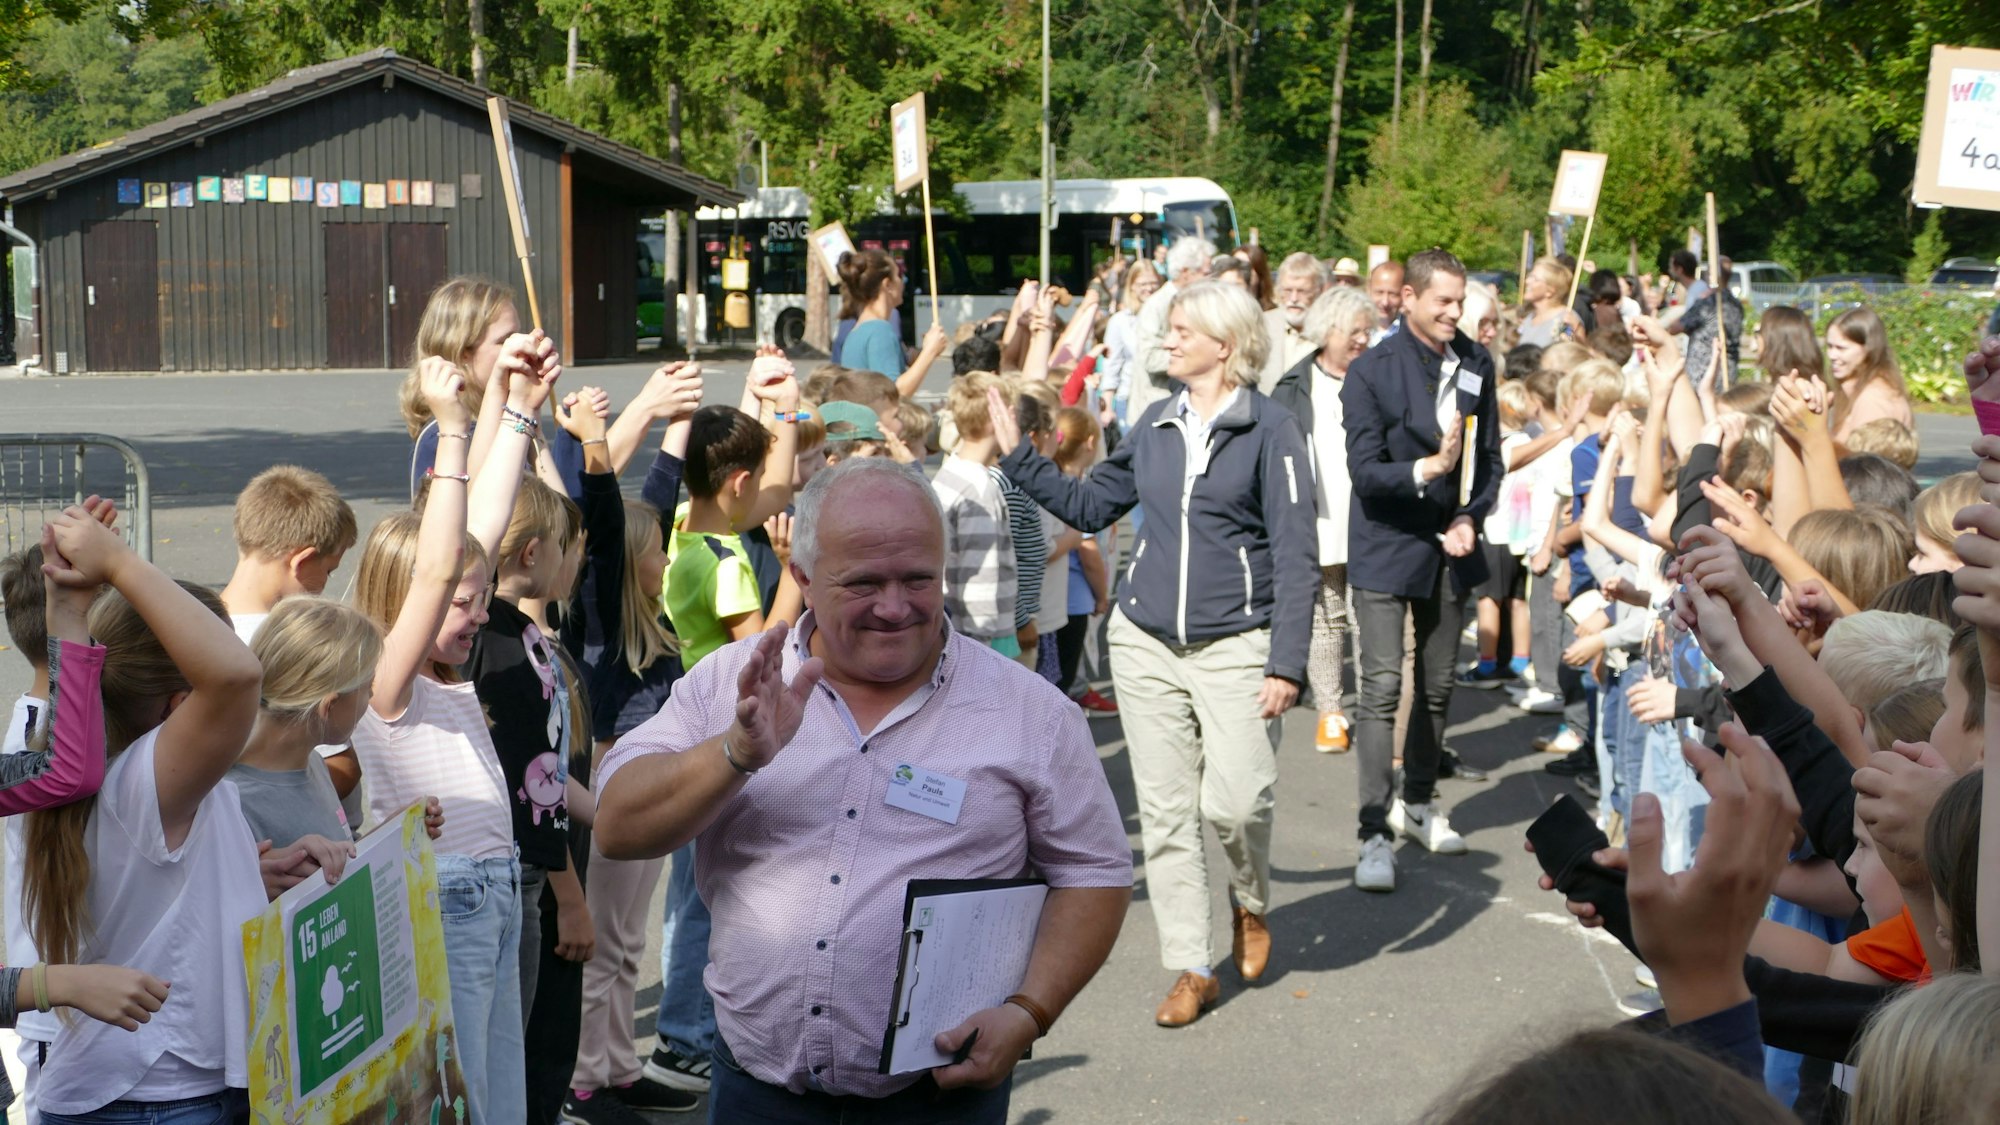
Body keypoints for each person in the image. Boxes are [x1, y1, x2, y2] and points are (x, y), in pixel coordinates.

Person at [592, 457, 1132, 1122]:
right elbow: (617, 827)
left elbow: (1095, 871)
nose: (894, 606)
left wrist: (1029, 1011)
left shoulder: (1032, 714)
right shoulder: (735, 683)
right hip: (758, 1092)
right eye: (864, 582)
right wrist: (736, 753)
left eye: (918, 579)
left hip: (941, 1096)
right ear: (803, 578)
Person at [992, 279, 1316, 1026]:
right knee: (1168, 813)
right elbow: (1087, 504)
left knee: (1237, 803)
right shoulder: (1155, 419)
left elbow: (1297, 555)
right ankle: (1191, 965)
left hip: (1239, 642)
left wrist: (1286, 663)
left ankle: (1251, 899)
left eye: (1181, 331)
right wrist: (1020, 456)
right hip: (1144, 643)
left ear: (1223, 346)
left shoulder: (1272, 429)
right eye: (1168, 329)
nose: (1167, 341)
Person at [352, 339, 553, 1125]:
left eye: (480, 598)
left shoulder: (449, 680)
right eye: (459, 605)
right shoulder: (388, 685)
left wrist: (519, 413)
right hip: (452, 896)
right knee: (458, 1097)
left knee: (500, 1091)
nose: (476, 614)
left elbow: (481, 532)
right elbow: (441, 569)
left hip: (494, 889)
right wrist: (455, 427)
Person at [24, 505, 266, 1123]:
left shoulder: (72, 761)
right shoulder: (143, 782)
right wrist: (119, 564)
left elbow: (156, 893)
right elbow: (237, 678)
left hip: (147, 1093)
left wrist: (253, 876)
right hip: (159, 1099)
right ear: (183, 705)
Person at [1342, 248, 1502, 892]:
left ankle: (1419, 801)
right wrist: (1427, 470)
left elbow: (1489, 457)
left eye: (1460, 302)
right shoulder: (1371, 372)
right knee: (1381, 689)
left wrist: (1470, 517)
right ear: (1407, 298)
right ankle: (1372, 831)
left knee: (1437, 687)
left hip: (1451, 547)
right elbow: (1364, 471)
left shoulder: (1475, 361)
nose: (1454, 313)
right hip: (1385, 543)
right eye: (1443, 301)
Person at [218, 465, 365, 825]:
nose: (327, 583)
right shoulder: (299, 643)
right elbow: (340, 764)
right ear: (300, 561)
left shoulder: (203, 631)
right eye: (328, 571)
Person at [1270, 286, 1375, 753]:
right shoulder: (1294, 387)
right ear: (1328, 332)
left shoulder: (1376, 377)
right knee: (1325, 620)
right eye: (1354, 331)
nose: (1362, 339)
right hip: (1319, 522)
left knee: (1369, 620)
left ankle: (1376, 711)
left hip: (1372, 520)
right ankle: (1331, 711)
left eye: (1366, 331)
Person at [932, 372, 1020, 653]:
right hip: (984, 638)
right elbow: (981, 574)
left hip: (958, 627)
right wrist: (980, 646)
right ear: (996, 419)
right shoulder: (981, 489)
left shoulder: (948, 473)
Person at [835, 248, 949, 397]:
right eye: (898, 276)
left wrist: (921, 353)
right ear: (887, 284)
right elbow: (894, 394)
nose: (903, 281)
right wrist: (930, 351)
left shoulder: (860, 329)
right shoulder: (880, 330)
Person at [1128, 236, 1215, 424]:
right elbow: (1149, 358)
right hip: (1157, 411)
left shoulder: (1194, 302)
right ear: (1186, 272)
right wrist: (1198, 357)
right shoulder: (1158, 305)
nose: (1211, 279)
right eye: (1206, 272)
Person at [1824, 307, 1914, 444]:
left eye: (1841, 348)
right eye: (1830, 347)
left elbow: (1865, 461)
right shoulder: (1853, 391)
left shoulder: (1873, 399)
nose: (1832, 355)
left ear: (1868, 349)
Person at [1258, 253, 1332, 393]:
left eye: (1302, 291)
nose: (1293, 298)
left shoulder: (1331, 329)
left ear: (1319, 291)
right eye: (1287, 290)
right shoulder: (1261, 325)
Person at [1099, 260, 1161, 428]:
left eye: (1153, 283)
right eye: (1143, 283)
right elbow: (1112, 363)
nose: (1149, 288)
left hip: (1160, 397)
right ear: (1132, 285)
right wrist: (1106, 406)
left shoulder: (1169, 315)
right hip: (1129, 398)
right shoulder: (1121, 321)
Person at [1516, 257, 1580, 347]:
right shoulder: (1529, 319)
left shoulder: (1565, 320)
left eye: (1535, 279)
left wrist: (1578, 332)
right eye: (1529, 276)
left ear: (1550, 291)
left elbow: (1576, 353)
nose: (1527, 281)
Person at [1366, 259, 1405, 345]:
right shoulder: (1353, 328)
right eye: (1379, 292)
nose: (1385, 302)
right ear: (1368, 290)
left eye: (1392, 294)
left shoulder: (1411, 332)